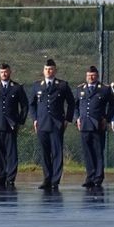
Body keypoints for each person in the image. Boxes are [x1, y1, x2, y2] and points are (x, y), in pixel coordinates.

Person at [29, 58, 74, 190]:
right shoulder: (37, 85)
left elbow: (71, 103)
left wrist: (67, 119)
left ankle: (55, 180)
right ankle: (47, 179)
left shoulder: (62, 85)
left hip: (56, 124)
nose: (49, 71)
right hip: (42, 123)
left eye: (51, 69)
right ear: (43, 71)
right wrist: (35, 119)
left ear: (55, 70)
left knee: (57, 152)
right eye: (46, 69)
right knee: (45, 152)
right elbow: (32, 104)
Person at [0, 63, 28, 188]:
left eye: (6, 72)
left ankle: (11, 177)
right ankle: (1, 176)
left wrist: (19, 121)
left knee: (11, 153)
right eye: (2, 72)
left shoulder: (17, 88)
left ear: (10, 72)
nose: (4, 74)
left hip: (10, 125)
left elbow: (24, 106)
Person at [74, 65, 112, 188]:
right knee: (87, 153)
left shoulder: (104, 89)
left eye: (93, 75)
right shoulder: (80, 89)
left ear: (97, 76)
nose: (91, 77)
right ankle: (90, 176)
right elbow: (75, 106)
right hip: (84, 125)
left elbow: (113, 105)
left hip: (97, 125)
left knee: (98, 152)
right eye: (89, 75)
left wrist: (106, 118)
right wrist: (77, 118)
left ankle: (98, 177)